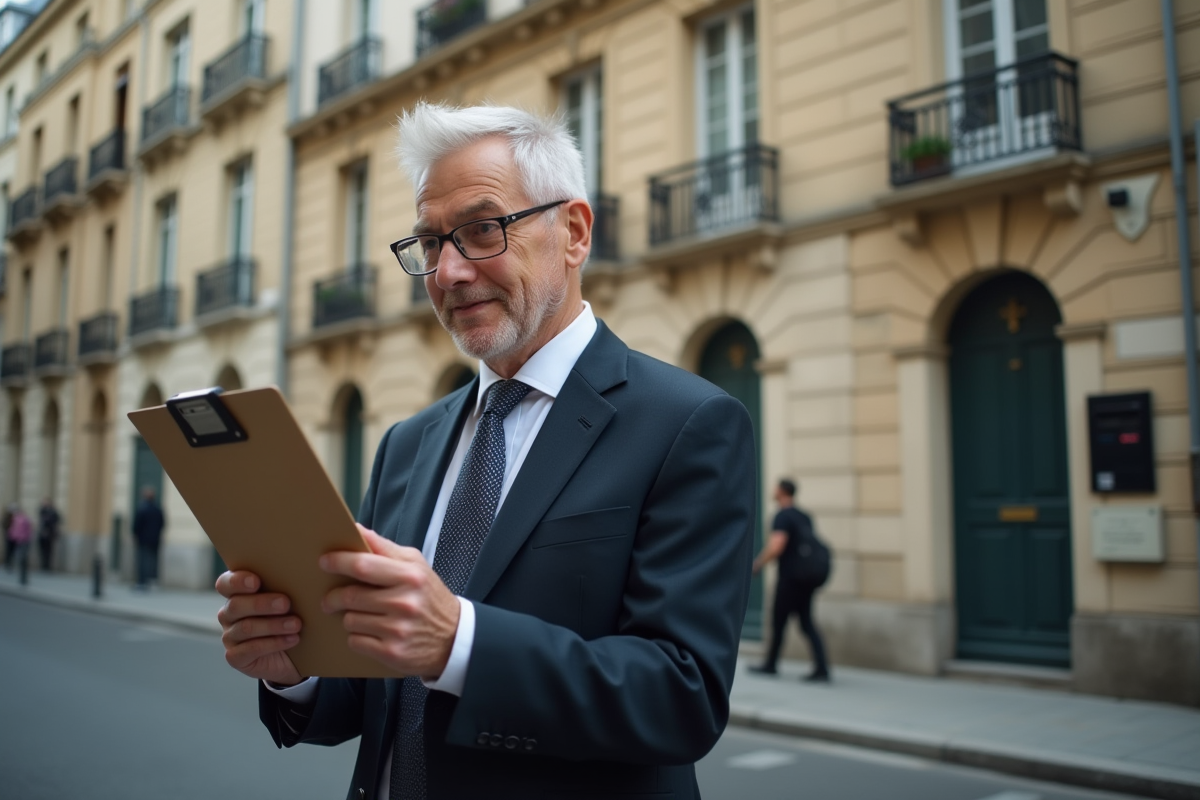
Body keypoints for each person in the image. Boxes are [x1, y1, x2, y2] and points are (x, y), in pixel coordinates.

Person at [215, 103, 757, 800]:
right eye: (431, 243)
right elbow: (371, 694)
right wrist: (293, 666)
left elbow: (682, 697)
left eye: (480, 231)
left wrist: (460, 644)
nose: (448, 273)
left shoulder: (690, 423)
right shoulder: (406, 444)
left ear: (574, 232)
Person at [749, 479, 832, 682]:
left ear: (782, 491)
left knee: (779, 621)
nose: (773, 490)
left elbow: (778, 544)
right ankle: (822, 667)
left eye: (775, 487)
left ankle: (771, 665)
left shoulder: (782, 516)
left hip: (790, 578)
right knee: (806, 622)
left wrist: (758, 563)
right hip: (806, 578)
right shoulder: (804, 516)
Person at [131, 486, 165, 590]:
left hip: (143, 540)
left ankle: (142, 582)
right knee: (153, 561)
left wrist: (136, 535)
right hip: (155, 540)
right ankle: (152, 581)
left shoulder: (142, 509)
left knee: (143, 561)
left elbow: (136, 525)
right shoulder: (157, 509)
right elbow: (162, 523)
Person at [9, 505, 32, 585]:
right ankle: (22, 578)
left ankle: (24, 578)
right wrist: (12, 536)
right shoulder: (16, 519)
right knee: (20, 559)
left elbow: (28, 530)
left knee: (22, 559)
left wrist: (24, 538)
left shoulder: (25, 519)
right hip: (18, 541)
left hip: (24, 541)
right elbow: (13, 530)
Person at [37, 497, 60, 573]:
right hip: (42, 534)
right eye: (43, 502)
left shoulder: (53, 512)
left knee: (49, 551)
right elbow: (41, 521)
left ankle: (47, 566)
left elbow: (56, 521)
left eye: (45, 502)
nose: (44, 503)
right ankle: (43, 565)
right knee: (42, 550)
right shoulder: (42, 510)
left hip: (49, 534)